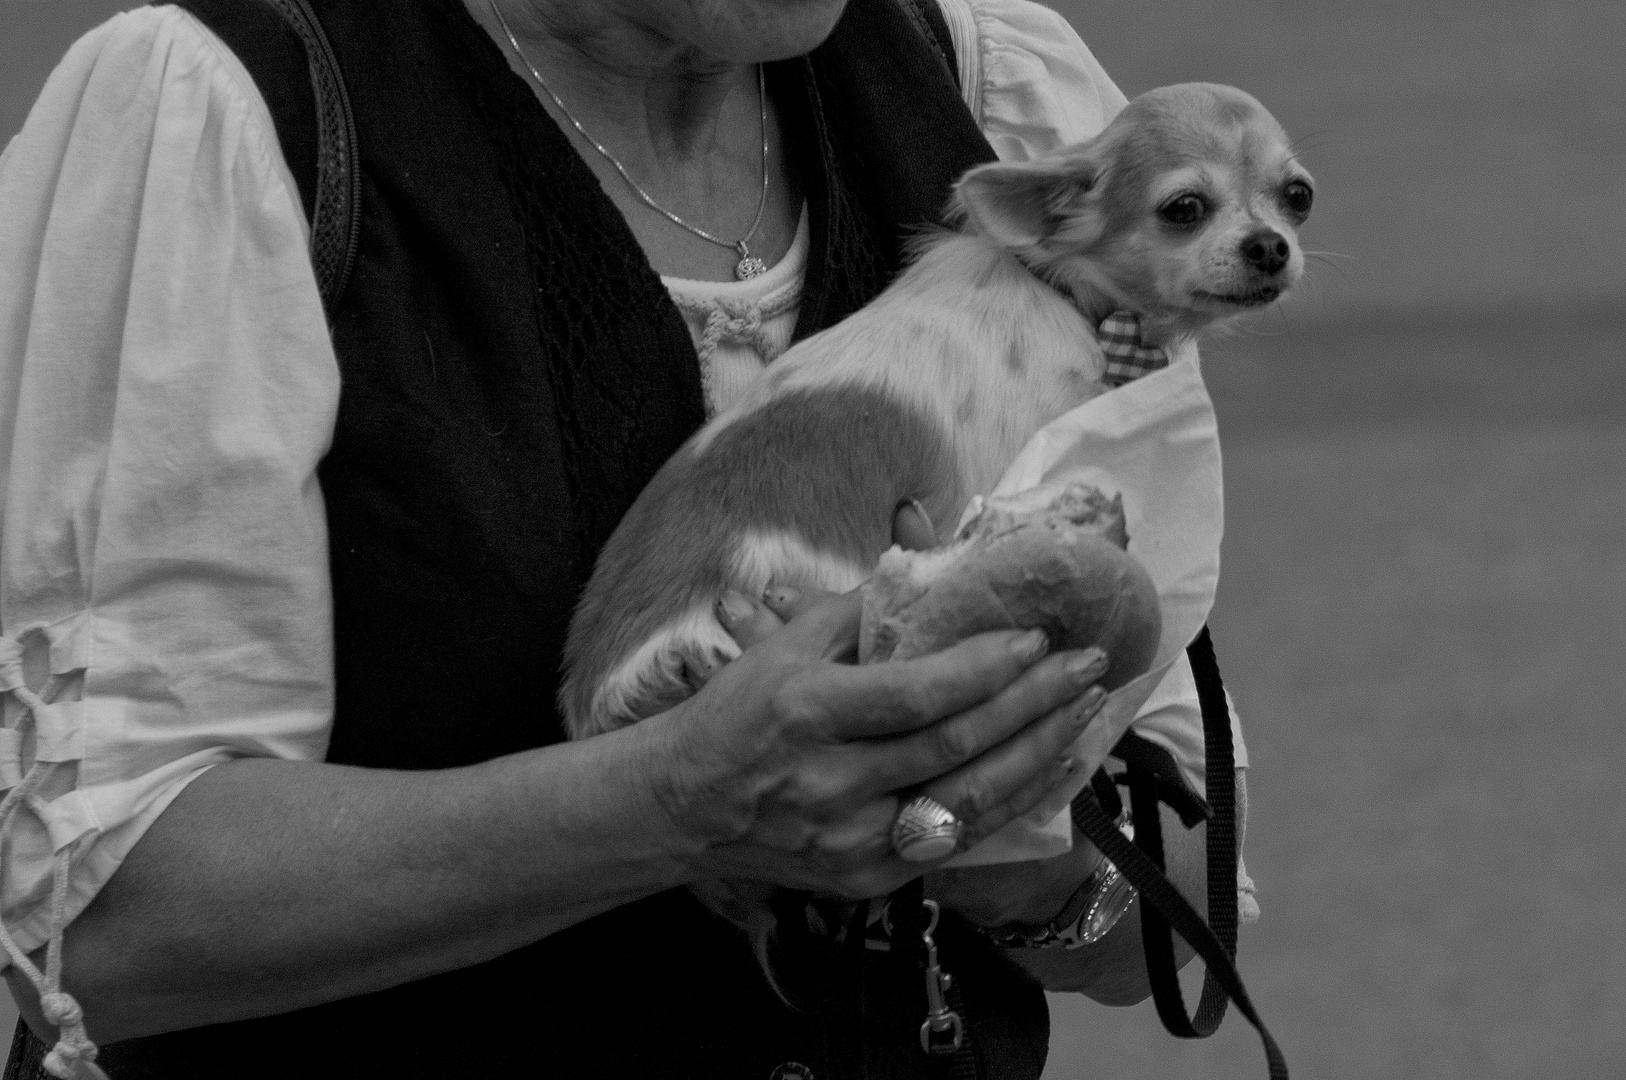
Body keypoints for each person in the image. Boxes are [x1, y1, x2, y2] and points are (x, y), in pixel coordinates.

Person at [0, 0, 1247, 1076]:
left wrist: (1010, 854)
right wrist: (667, 800)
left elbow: (1183, 900)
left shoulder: (991, 94)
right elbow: (87, 920)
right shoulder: (230, 110)